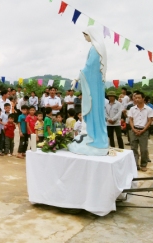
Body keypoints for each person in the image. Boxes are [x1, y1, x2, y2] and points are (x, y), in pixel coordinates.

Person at [68, 26, 109, 155]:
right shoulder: (99, 47)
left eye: (85, 35)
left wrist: (77, 77)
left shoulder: (95, 48)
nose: (84, 38)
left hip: (92, 87)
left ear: (90, 34)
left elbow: (88, 68)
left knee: (93, 110)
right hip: (95, 85)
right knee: (96, 111)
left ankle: (95, 138)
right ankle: (95, 136)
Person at [128, 91, 153, 171]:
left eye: (139, 98)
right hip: (134, 130)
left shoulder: (149, 109)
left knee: (144, 149)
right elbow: (131, 120)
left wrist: (143, 130)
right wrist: (133, 129)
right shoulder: (132, 109)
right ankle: (135, 165)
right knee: (133, 148)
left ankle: (143, 164)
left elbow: (149, 121)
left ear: (143, 99)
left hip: (144, 131)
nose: (137, 99)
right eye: (136, 98)